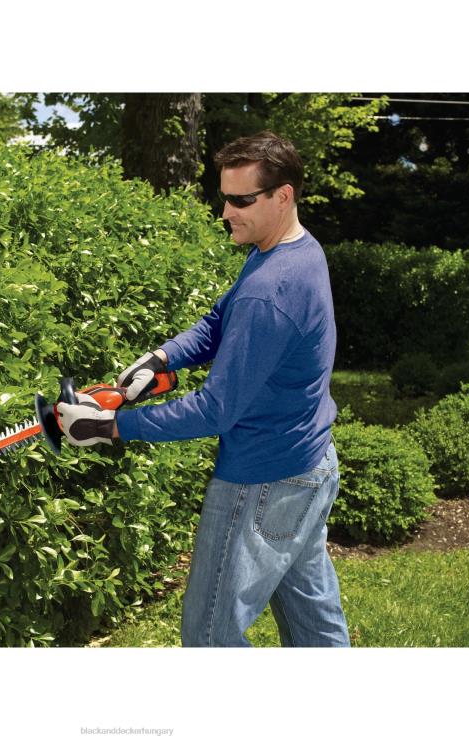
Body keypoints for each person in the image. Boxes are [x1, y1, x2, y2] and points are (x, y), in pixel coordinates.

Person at [57, 131, 350, 648]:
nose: (226, 212)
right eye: (225, 197)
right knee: (314, 629)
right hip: (309, 465)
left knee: (209, 638)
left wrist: (110, 426)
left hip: (262, 481)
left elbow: (215, 410)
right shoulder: (294, 251)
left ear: (282, 196)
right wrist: (164, 357)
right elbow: (220, 318)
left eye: (241, 201)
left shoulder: (271, 289)